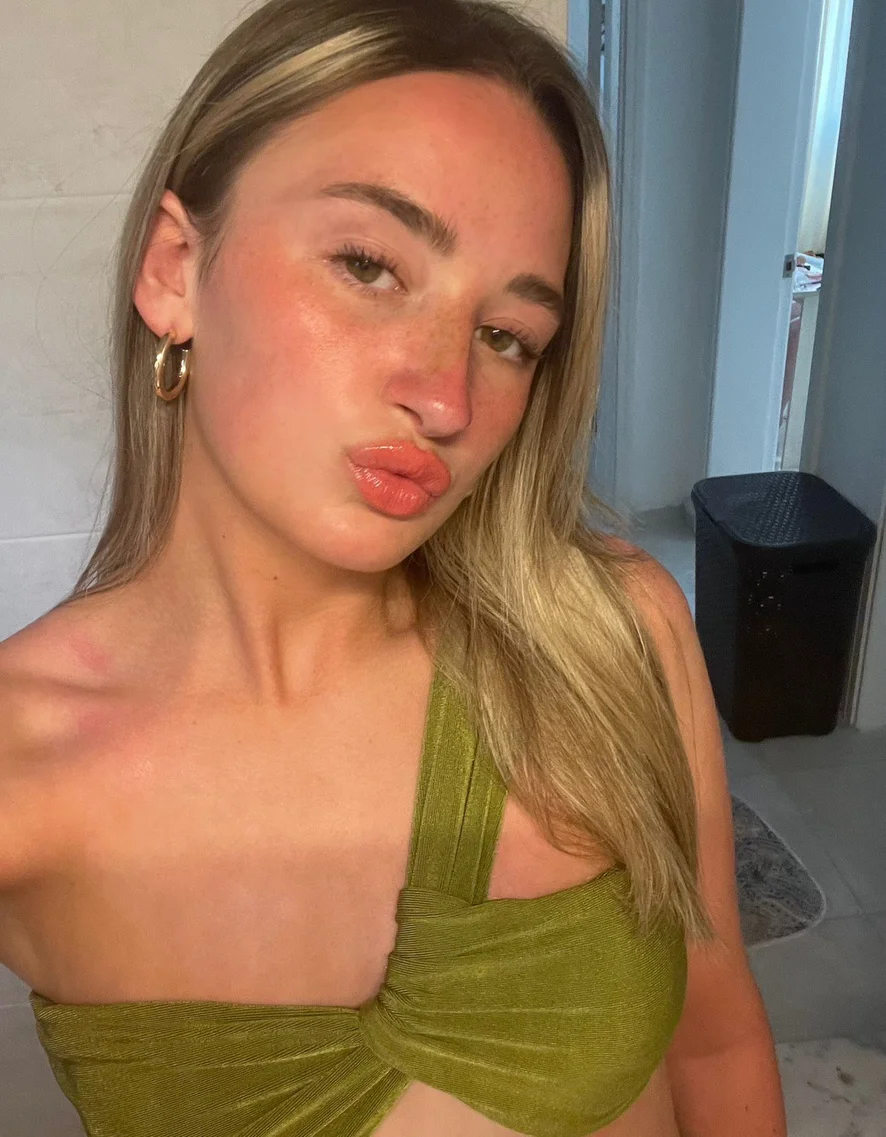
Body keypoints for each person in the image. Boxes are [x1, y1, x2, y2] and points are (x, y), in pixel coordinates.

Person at [0, 0, 787, 1134]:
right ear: (176, 268)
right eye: (369, 266)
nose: (446, 397)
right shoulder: (26, 768)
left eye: (507, 336)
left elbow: (716, 1043)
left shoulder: (612, 639)